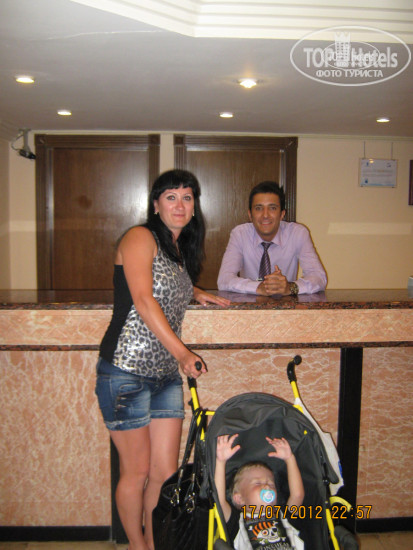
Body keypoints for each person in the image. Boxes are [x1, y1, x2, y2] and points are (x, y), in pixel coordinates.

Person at [95, 169, 230, 550]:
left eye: (187, 198)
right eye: (171, 197)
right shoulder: (140, 237)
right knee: (136, 472)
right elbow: (143, 298)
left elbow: (165, 282)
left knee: (165, 473)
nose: (180, 205)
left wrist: (195, 290)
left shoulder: (177, 250)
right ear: (156, 204)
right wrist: (183, 353)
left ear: (194, 207)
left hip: (165, 375)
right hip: (125, 370)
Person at [217, 181, 327, 296]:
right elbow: (224, 279)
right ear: (250, 214)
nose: (265, 215)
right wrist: (258, 287)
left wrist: (290, 287)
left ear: (282, 214)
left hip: (286, 304)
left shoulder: (298, 233)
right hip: (250, 304)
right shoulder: (240, 234)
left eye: (272, 208)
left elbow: (319, 278)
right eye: (259, 208)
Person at [215, 434, 305, 550]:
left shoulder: (283, 515)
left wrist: (290, 459)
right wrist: (220, 462)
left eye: (271, 484)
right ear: (239, 498)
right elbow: (219, 501)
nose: (267, 486)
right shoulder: (237, 521)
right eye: (257, 483)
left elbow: (297, 495)